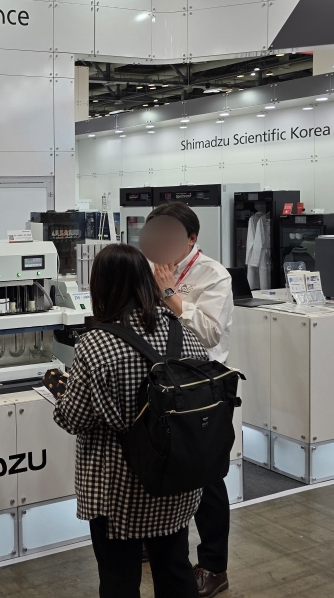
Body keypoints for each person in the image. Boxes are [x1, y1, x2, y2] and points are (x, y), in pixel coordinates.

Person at [50, 243, 207, 598]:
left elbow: (74, 418)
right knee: (175, 568)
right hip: (175, 480)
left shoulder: (96, 344)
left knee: (118, 579)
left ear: (100, 287)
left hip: (119, 487)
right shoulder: (182, 332)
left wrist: (62, 396)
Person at [145, 202, 234, 598]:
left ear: (191, 238)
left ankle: (214, 567)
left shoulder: (212, 275)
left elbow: (211, 334)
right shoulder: (150, 266)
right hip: (160, 383)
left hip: (202, 388)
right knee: (162, 466)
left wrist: (168, 293)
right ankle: (159, 543)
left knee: (206, 478)